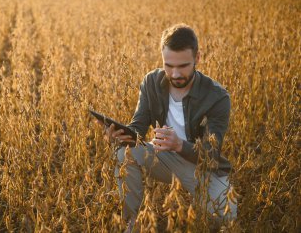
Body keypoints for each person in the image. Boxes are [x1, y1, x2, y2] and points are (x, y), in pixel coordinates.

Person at [99, 23, 237, 231]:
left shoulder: (217, 97)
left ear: (197, 58)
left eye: (183, 66)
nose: (174, 74)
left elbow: (211, 153)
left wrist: (179, 145)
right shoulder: (151, 82)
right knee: (124, 152)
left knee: (226, 218)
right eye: (168, 65)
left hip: (202, 168)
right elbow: (138, 126)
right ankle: (131, 224)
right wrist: (120, 134)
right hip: (162, 158)